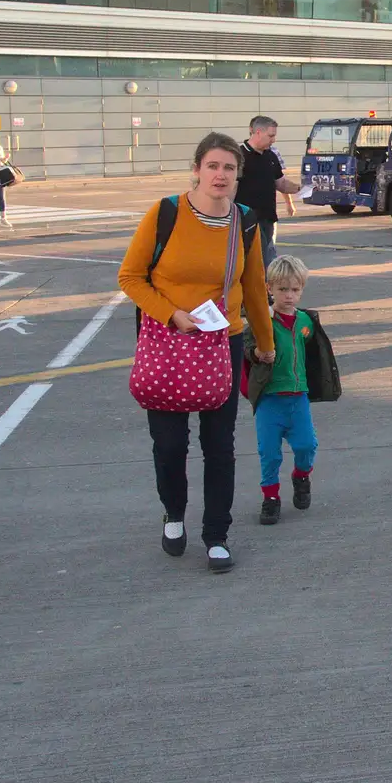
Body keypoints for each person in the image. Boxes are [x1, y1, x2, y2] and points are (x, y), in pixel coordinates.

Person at [118, 132, 275, 573]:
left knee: (219, 446)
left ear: (238, 175)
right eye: (213, 166)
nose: (220, 175)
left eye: (229, 167)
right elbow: (130, 278)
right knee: (169, 446)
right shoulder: (165, 213)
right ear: (197, 169)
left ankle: (216, 534)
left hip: (222, 343)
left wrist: (265, 345)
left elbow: (255, 290)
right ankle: (173, 512)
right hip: (169, 341)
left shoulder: (245, 222)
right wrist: (172, 315)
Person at [244, 254, 320, 526]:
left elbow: (313, 352)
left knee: (307, 445)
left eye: (295, 290)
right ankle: (271, 498)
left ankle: (301, 476)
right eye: (283, 289)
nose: (289, 296)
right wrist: (257, 354)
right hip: (270, 399)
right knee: (270, 453)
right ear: (270, 289)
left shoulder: (305, 323)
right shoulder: (262, 320)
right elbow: (246, 347)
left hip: (298, 397)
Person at [236, 116, 301, 264]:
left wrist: (301, 189)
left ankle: (265, 286)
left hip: (268, 219)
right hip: (247, 220)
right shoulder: (239, 156)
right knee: (261, 261)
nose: (273, 140)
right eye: (271, 136)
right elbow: (231, 189)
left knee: (267, 258)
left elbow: (280, 183)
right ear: (258, 132)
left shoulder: (270, 156)